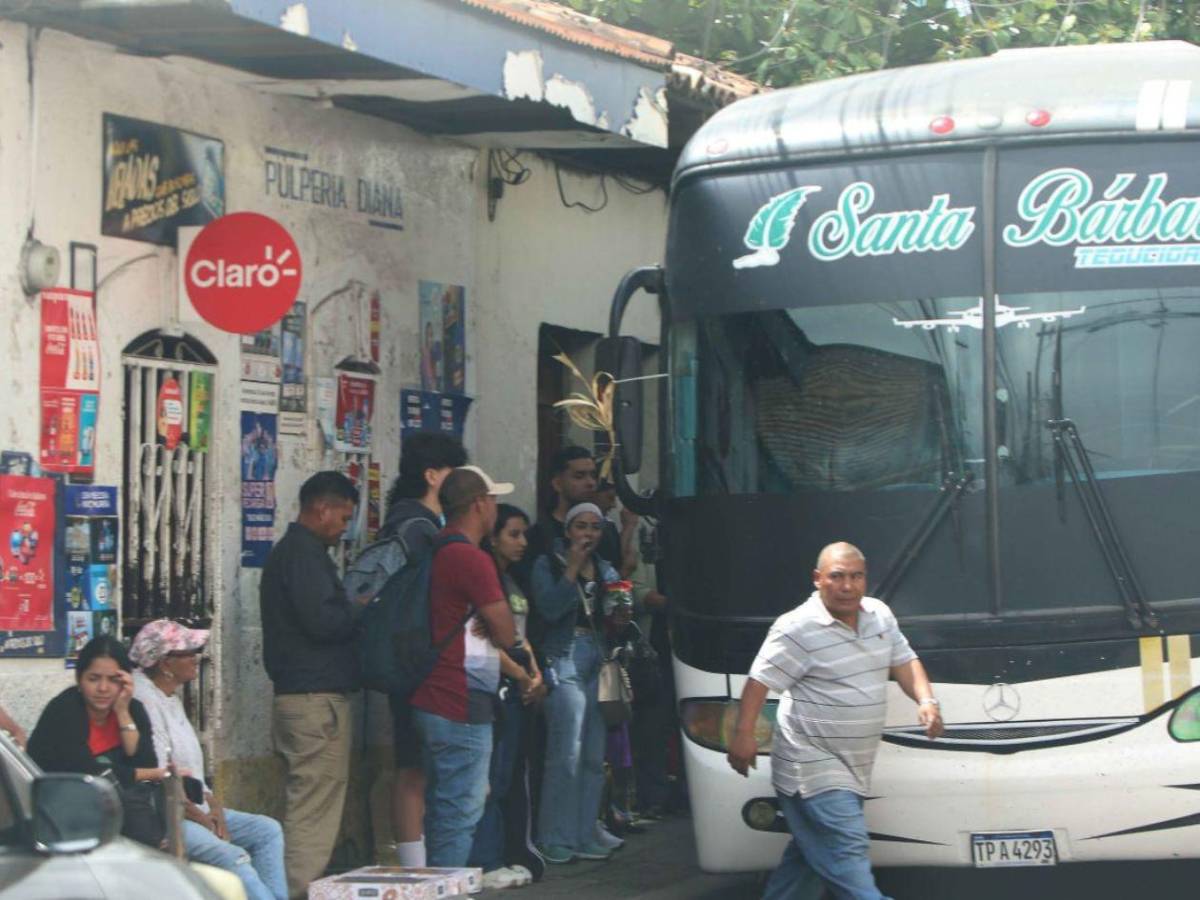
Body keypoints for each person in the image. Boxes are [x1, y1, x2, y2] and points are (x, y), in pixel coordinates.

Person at [727, 542, 944, 900]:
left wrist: (926, 701)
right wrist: (743, 733)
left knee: (807, 865)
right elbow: (759, 681)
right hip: (812, 768)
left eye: (856, 577)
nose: (847, 586)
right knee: (847, 853)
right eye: (837, 577)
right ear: (818, 579)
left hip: (853, 767)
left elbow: (905, 661)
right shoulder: (796, 627)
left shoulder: (879, 616)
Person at [259, 471, 364, 898]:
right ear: (322, 509)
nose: (345, 528)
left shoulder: (297, 553)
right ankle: (293, 890)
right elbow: (323, 622)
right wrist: (358, 609)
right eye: (344, 518)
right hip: (314, 700)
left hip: (304, 697)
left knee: (309, 804)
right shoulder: (302, 555)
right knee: (312, 810)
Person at [409, 467, 519, 867]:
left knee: (444, 806)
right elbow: (506, 633)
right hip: (460, 698)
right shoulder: (470, 557)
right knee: (461, 810)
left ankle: (437, 884)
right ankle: (447, 887)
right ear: (479, 504)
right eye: (493, 500)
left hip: (431, 694)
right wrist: (493, 620)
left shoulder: (437, 547)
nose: (495, 508)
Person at [131, 619, 286, 900]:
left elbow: (194, 772)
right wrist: (205, 821)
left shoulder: (170, 697)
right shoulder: (144, 700)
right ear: (165, 663)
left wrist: (214, 808)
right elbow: (166, 777)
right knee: (234, 857)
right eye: (188, 652)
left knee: (267, 831)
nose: (196, 658)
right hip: (170, 815)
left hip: (197, 808)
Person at [376, 432, 468, 868]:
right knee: (415, 768)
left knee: (417, 765)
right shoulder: (419, 529)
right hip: (417, 661)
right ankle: (418, 870)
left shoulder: (411, 523)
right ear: (432, 476)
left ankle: (421, 865)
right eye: (454, 472)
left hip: (412, 660)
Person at [530, 502, 620, 865]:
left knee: (594, 755)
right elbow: (549, 609)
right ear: (567, 531)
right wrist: (570, 568)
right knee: (566, 751)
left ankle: (584, 834)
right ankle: (555, 837)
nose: (588, 534)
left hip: (597, 658)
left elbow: (613, 620)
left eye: (595, 527)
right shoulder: (547, 564)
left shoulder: (606, 569)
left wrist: (620, 612)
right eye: (581, 526)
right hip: (563, 656)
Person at [468, 504, 547, 889]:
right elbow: (485, 639)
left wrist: (536, 674)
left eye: (524, 534)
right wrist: (520, 675)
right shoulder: (484, 580)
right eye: (513, 534)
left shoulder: (512, 581)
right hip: (496, 686)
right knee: (492, 777)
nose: (522, 542)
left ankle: (501, 854)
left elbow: (519, 635)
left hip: (518, 687)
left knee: (509, 775)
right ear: (493, 537)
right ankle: (485, 860)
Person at [27, 636, 166, 846]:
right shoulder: (64, 709)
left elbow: (145, 761)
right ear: (79, 680)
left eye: (113, 680)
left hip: (116, 813)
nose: (103, 688)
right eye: (93, 679)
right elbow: (87, 773)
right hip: (61, 814)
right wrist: (153, 774)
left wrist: (122, 712)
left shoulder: (133, 708)